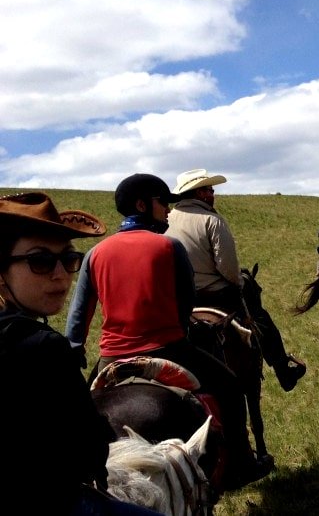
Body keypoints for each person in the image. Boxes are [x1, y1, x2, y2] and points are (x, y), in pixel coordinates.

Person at [65, 174, 271, 491]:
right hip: (167, 347)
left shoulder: (96, 253)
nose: (167, 212)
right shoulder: (169, 246)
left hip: (112, 356)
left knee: (75, 413)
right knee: (230, 388)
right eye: (163, 203)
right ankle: (242, 463)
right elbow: (186, 300)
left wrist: (75, 347)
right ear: (142, 205)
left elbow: (79, 311)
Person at [0, 192, 161, 515]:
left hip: (110, 348)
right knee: (225, 385)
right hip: (47, 500)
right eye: (40, 260)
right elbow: (88, 448)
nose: (61, 274)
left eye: (69, 259)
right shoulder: (43, 346)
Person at [165, 169, 306, 392]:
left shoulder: (165, 220)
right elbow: (228, 268)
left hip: (179, 299)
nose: (213, 194)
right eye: (210, 190)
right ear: (200, 193)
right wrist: (240, 283)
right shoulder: (212, 220)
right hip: (215, 294)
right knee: (261, 318)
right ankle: (283, 370)